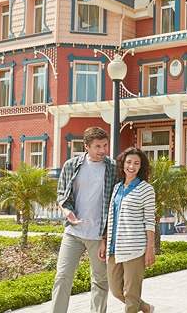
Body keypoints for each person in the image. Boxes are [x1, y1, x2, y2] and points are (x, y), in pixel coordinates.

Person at [51, 126, 115, 313]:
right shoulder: (71, 165)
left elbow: (115, 203)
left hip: (98, 235)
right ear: (86, 146)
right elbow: (61, 194)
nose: (102, 150)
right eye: (97, 146)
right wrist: (67, 211)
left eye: (105, 145)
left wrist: (105, 237)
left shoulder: (112, 168)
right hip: (73, 232)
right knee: (62, 276)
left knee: (100, 281)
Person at [100, 147, 156, 313]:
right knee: (116, 290)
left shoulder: (146, 189)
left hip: (135, 248)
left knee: (131, 294)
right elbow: (111, 217)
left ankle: (138, 307)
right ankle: (146, 307)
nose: (132, 166)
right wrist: (104, 240)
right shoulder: (117, 187)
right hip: (114, 248)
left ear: (141, 166)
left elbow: (149, 221)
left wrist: (150, 249)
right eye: (129, 162)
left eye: (136, 163)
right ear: (122, 164)